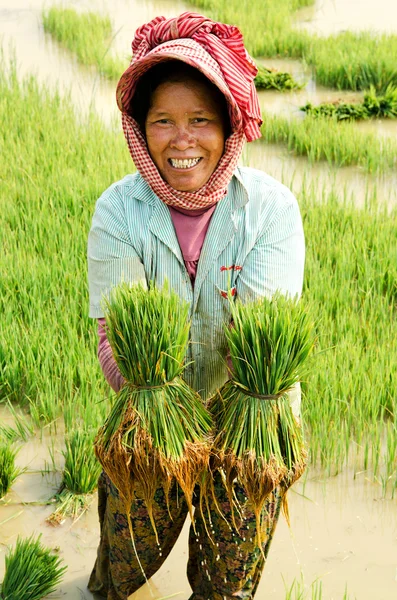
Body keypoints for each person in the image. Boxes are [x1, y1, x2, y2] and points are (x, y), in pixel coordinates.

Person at [87, 11, 305, 600]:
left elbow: (260, 342)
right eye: (163, 121)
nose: (182, 140)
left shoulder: (270, 211)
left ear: (228, 124)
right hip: (150, 416)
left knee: (225, 588)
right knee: (120, 572)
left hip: (247, 426)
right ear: (141, 128)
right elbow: (115, 335)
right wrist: (155, 405)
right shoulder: (118, 211)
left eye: (200, 120)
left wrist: (232, 434)